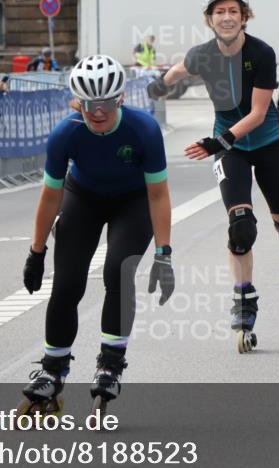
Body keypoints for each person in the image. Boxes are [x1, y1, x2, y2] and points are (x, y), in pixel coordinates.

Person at [146, 0, 279, 354]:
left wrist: (219, 141)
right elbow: (179, 71)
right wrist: (156, 87)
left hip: (266, 143)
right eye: (220, 12)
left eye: (234, 11)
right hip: (229, 150)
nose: (227, 17)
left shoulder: (262, 53)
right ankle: (244, 299)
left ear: (245, 16)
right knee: (241, 226)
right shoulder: (201, 54)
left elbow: (259, 113)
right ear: (209, 19)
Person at [18, 54, 174, 416]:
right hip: (83, 198)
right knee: (68, 283)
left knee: (118, 271)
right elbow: (50, 197)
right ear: (77, 101)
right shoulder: (65, 134)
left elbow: (158, 195)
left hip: (132, 203)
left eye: (105, 103)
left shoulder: (143, 129)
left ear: (120, 98)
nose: (97, 112)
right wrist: (36, 252)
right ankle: (52, 371)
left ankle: (110, 365)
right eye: (88, 104)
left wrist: (164, 253)